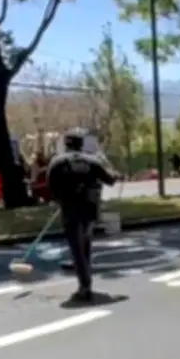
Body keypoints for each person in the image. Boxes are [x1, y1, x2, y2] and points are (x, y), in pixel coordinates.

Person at [47, 129, 120, 302]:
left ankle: (85, 285)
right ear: (81, 144)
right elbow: (109, 179)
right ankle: (84, 274)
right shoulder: (93, 161)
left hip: (70, 209)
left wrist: (60, 200)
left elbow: (50, 185)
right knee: (85, 243)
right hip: (89, 209)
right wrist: (115, 173)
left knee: (76, 247)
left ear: (66, 144)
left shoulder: (57, 162)